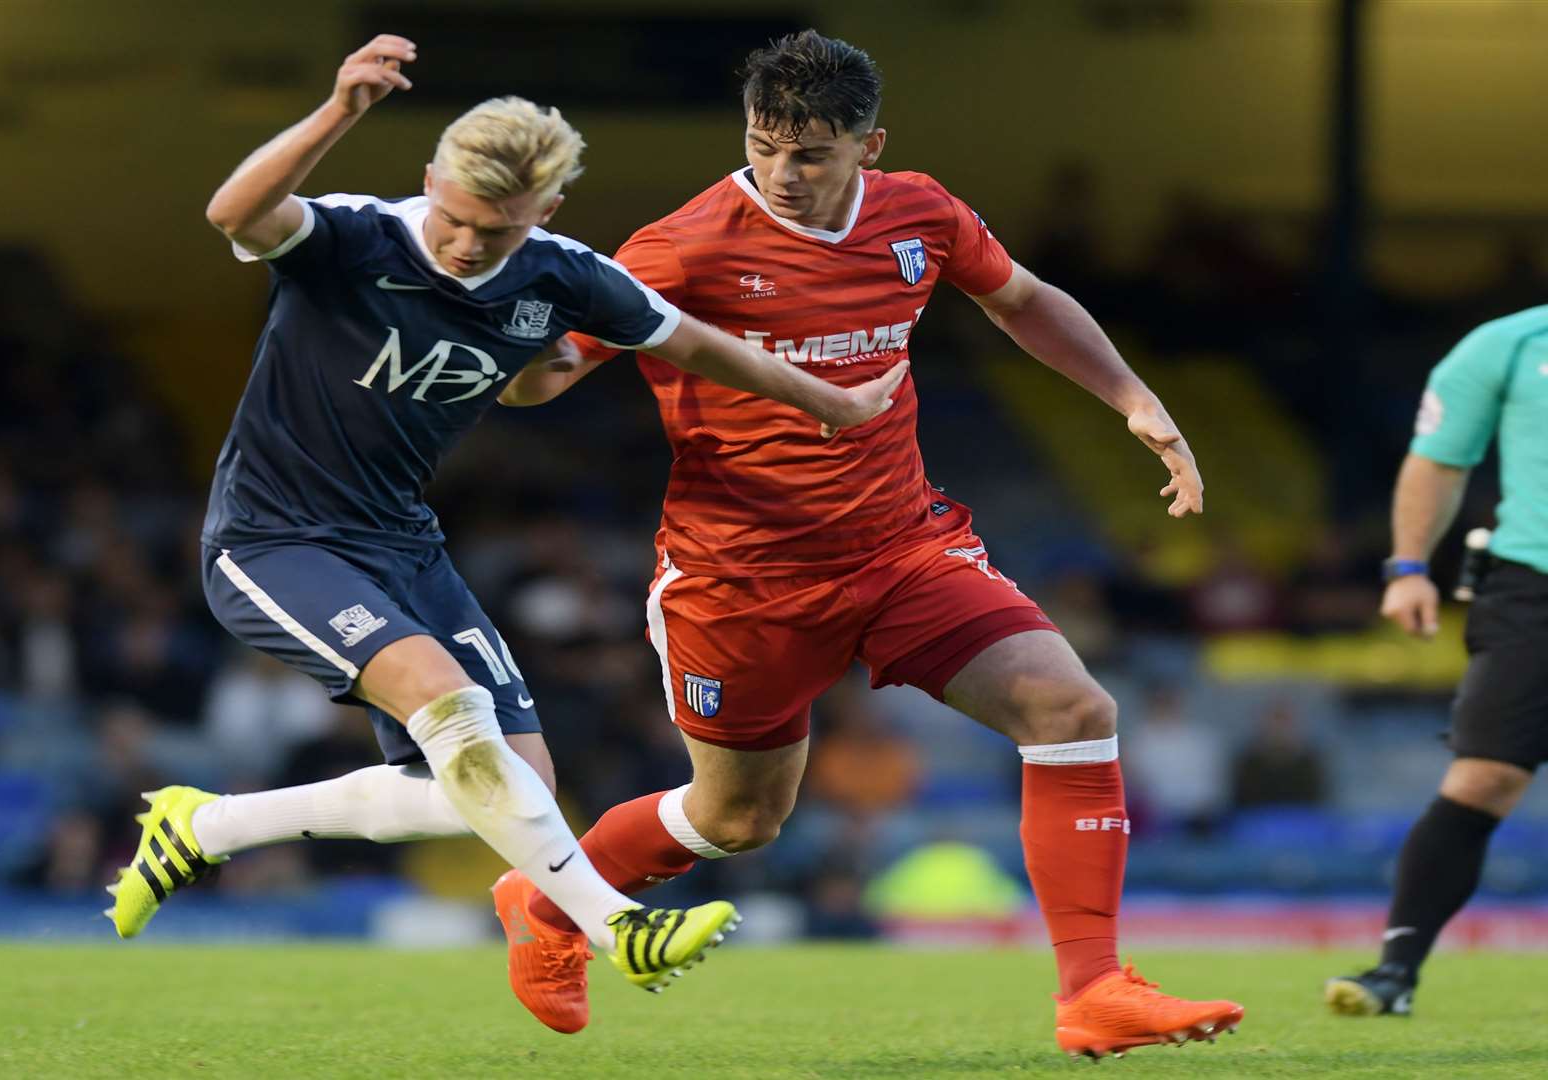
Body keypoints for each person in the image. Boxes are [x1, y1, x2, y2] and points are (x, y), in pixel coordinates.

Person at [102, 34, 907, 1000]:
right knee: (456, 713)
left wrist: (830, 401)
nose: (471, 243)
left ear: (547, 212)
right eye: (458, 215)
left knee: (488, 787)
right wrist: (339, 111)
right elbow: (234, 212)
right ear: (431, 177)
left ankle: (204, 829)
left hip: (402, 542)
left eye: (501, 228)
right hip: (275, 540)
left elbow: (694, 342)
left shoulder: (560, 273)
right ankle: (617, 929)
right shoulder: (356, 240)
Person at [492, 31, 1244, 1055]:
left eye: (810, 155)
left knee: (1071, 705)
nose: (783, 175)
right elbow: (543, 377)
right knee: (737, 820)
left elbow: (1020, 298)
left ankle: (1093, 990)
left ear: (868, 146)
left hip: (900, 548)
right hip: (740, 581)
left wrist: (1132, 398)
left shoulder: (919, 213)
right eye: (764, 148)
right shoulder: (684, 245)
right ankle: (543, 907)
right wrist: (503, 327)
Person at [1326, 305, 1548, 1017]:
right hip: (1532, 587)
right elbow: (1439, 457)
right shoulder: (1509, 344)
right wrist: (1409, 567)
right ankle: (1395, 971)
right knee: (1484, 777)